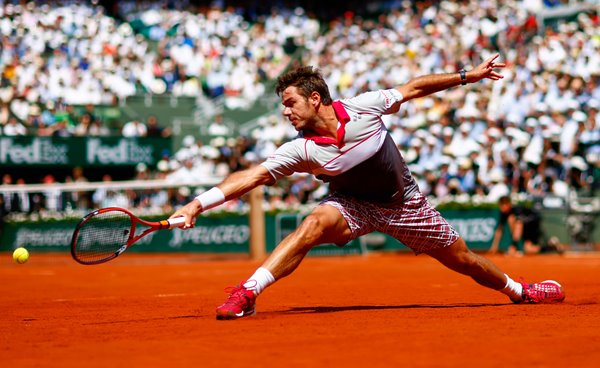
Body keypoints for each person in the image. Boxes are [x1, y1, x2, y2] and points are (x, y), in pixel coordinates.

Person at [170, 54, 565, 320]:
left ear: (315, 98)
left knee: (463, 260)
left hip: (405, 203)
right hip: (352, 205)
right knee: (311, 224)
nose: (285, 112)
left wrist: (467, 76)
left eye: (290, 103)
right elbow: (250, 177)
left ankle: (519, 290)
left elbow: (413, 88)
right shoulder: (300, 149)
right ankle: (248, 293)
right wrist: (195, 206)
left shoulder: (364, 107)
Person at [489, 195, 564, 255]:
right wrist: (494, 247)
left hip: (533, 224)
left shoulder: (516, 211)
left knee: (512, 219)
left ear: (508, 204)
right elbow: (499, 230)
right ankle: (551, 246)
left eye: (502, 205)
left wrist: (513, 246)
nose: (501, 208)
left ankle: (515, 248)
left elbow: (519, 226)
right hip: (526, 227)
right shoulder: (504, 214)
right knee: (529, 250)